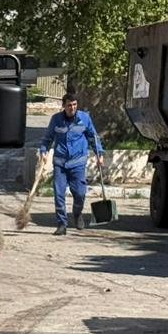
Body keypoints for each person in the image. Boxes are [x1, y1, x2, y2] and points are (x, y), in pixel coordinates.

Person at [39, 90, 106, 235]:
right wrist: (43, 151)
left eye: (75, 105)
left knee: (80, 193)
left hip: (78, 163)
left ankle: (77, 214)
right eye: (69, 105)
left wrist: (99, 153)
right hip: (60, 164)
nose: (72, 108)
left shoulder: (84, 118)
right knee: (59, 194)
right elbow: (47, 138)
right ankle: (62, 224)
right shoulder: (56, 119)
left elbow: (93, 137)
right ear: (64, 106)